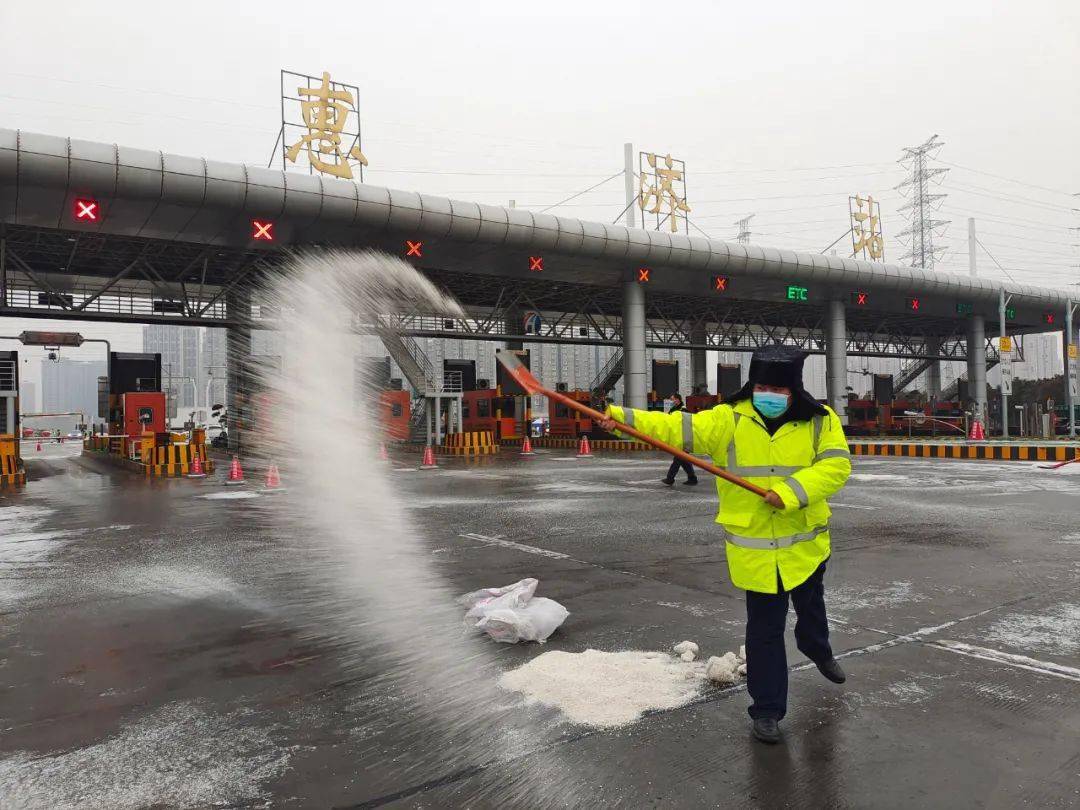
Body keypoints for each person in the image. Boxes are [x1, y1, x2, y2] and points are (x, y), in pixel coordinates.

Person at [599, 345, 851, 745]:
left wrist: (790, 491)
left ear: (793, 389)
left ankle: (817, 648)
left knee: (810, 607)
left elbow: (837, 465)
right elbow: (676, 428)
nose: (768, 394)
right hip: (755, 551)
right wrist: (617, 416)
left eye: (777, 388)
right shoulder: (728, 420)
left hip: (806, 544)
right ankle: (767, 710)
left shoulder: (821, 421)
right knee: (764, 631)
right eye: (762, 386)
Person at [661, 393, 698, 487]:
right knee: (684, 460)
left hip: (684, 438)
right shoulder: (673, 410)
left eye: (672, 399)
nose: (671, 401)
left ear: (678, 400)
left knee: (678, 459)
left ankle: (670, 478)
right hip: (677, 438)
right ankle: (692, 478)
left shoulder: (684, 410)